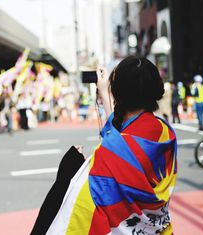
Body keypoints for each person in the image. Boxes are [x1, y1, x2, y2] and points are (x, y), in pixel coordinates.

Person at [32, 56, 178, 235]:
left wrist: (74, 170)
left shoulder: (109, 155)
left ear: (117, 92)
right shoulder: (165, 133)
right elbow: (124, 139)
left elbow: (79, 211)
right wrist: (106, 95)